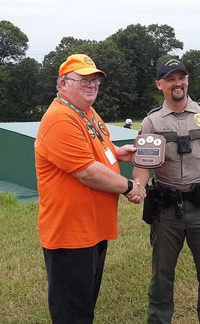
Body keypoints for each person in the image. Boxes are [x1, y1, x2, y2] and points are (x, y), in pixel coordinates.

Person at [34, 53, 146, 324]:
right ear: (62, 84)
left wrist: (118, 153)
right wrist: (130, 186)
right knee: (73, 313)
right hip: (71, 235)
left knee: (84, 306)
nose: (91, 85)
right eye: (82, 79)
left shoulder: (87, 113)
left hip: (92, 230)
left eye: (95, 79)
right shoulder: (61, 119)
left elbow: (96, 149)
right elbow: (87, 172)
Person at [132, 58, 200, 324]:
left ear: (188, 80)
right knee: (162, 275)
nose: (177, 83)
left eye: (182, 77)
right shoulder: (152, 122)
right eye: (170, 78)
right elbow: (143, 164)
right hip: (167, 211)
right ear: (160, 85)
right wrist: (138, 188)